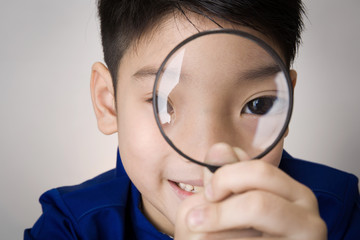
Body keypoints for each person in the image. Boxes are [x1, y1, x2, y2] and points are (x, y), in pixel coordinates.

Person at [24, 0, 360, 239]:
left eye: (257, 104)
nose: (210, 151)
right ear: (108, 103)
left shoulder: (340, 215)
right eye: (163, 104)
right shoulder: (70, 225)